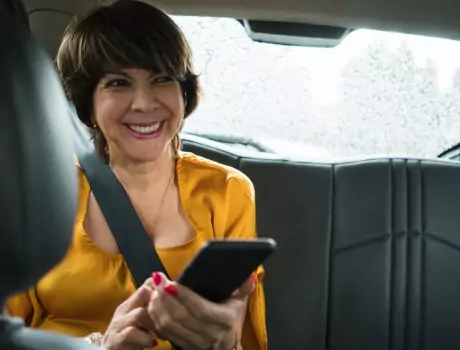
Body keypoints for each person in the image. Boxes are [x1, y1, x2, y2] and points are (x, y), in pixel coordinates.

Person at [6, 1, 267, 349]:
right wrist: (98, 346)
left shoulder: (227, 192)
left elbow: (240, 337)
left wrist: (222, 345)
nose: (144, 103)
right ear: (87, 103)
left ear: (184, 93)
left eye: (161, 79)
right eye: (118, 83)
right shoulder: (43, 192)